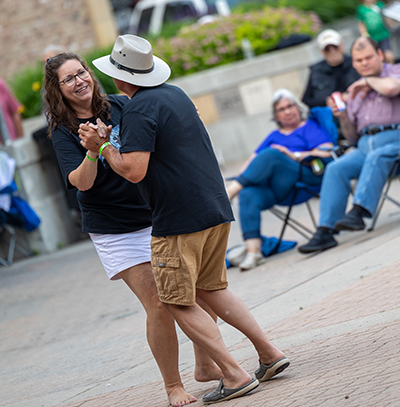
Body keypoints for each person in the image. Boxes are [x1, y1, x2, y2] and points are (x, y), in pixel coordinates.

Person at [80, 35, 289, 404]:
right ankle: (269, 354)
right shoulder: (175, 93)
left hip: (177, 219)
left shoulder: (139, 109)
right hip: (214, 207)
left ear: (119, 77)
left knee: (175, 300)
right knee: (213, 289)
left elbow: (133, 170)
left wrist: (102, 147)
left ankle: (235, 375)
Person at [43, 52, 221, 407]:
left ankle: (205, 363)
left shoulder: (122, 106)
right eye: (69, 79)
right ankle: (173, 386)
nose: (79, 81)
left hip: (155, 213)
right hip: (115, 230)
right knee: (159, 303)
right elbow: (81, 183)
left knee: (199, 289)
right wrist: (93, 151)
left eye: (82, 73)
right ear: (57, 90)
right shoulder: (62, 132)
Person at [299, 37, 400, 253]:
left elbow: (392, 88)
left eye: (369, 58)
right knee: (336, 168)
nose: (364, 63)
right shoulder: (354, 93)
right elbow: (352, 137)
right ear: (353, 63)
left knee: (377, 156)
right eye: (359, 60)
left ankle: (359, 211)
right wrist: (343, 117)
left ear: (380, 55)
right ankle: (325, 230)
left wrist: (367, 81)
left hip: (395, 139)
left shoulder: (394, 71)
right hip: (365, 144)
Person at [225, 90, 333, 270]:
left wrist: (293, 155)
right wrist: (240, 178)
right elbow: (252, 160)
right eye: (281, 109)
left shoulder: (309, 127)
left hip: (305, 179)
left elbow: (328, 151)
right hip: (277, 190)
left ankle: (227, 194)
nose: (287, 111)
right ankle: (254, 253)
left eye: (290, 106)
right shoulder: (274, 135)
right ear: (276, 115)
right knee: (248, 194)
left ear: (298, 108)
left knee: (273, 154)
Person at [302, 29, 360, 108]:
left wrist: (350, 96)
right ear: (321, 51)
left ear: (342, 46)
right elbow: (306, 101)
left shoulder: (356, 63)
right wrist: (326, 102)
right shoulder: (316, 71)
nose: (332, 51)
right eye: (327, 49)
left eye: (335, 47)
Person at [356, 0, 394, 64]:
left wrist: (392, 24)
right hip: (372, 38)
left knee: (389, 55)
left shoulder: (380, 4)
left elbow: (386, 17)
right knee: (379, 58)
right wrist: (364, 35)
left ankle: (393, 71)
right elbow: (361, 24)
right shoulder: (361, 9)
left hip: (383, 35)